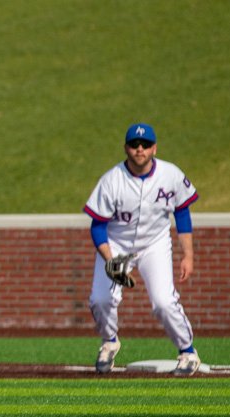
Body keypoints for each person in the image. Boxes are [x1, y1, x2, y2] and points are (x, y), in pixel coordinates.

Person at [83, 123, 201, 376]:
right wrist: (110, 260)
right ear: (126, 148)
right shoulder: (111, 180)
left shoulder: (170, 174)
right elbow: (97, 226)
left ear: (154, 148)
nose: (140, 149)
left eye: (145, 144)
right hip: (117, 244)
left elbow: (182, 213)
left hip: (154, 243)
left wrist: (188, 255)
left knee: (163, 302)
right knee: (101, 300)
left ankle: (188, 352)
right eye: (135, 145)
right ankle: (110, 341)